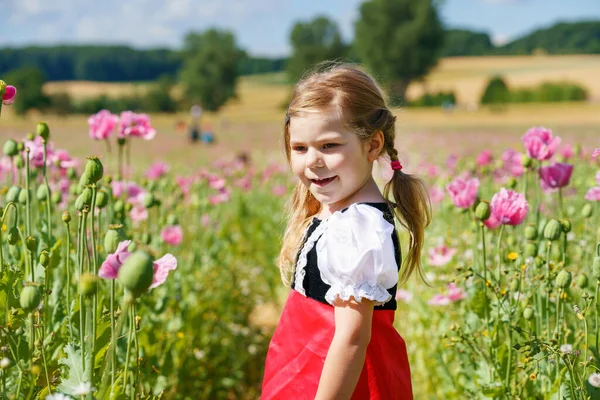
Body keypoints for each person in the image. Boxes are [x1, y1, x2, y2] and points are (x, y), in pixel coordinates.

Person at [261, 63, 431, 400]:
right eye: (300, 148)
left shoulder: (360, 229)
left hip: (335, 383)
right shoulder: (336, 211)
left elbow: (352, 338)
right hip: (304, 365)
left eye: (329, 146)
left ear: (372, 145)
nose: (312, 161)